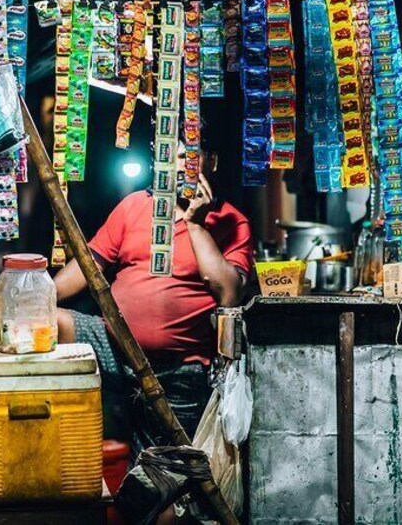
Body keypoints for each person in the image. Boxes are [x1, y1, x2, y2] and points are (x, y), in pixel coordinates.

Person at [54, 142, 254, 457]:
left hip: (179, 371)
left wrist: (194, 224)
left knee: (167, 479)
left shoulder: (230, 220)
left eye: (191, 155)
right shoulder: (134, 205)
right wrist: (35, 295)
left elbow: (228, 293)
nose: (181, 164)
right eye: (172, 155)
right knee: (48, 322)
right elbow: (87, 265)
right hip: (116, 347)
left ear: (211, 161)